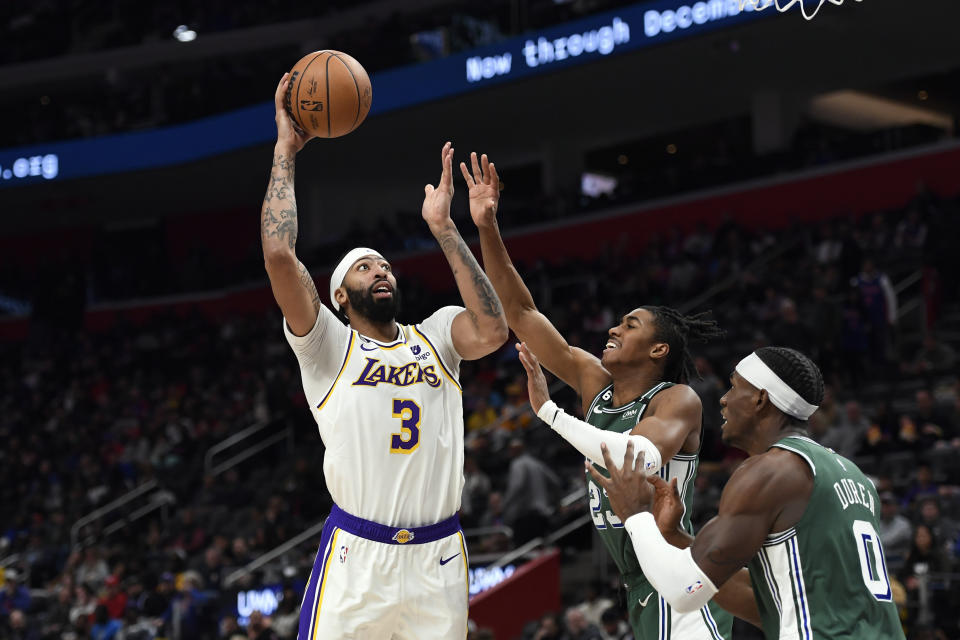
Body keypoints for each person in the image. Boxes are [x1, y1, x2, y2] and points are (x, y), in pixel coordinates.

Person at [261, 74, 508, 639]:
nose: (381, 270)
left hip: (439, 558)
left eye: (386, 265)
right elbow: (279, 253)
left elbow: (493, 330)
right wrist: (284, 150)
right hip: (358, 558)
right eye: (364, 266)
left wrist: (445, 229)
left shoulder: (438, 334)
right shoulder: (327, 345)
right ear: (339, 296)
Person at [478, 148, 731, 636]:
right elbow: (523, 314)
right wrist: (488, 226)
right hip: (638, 579)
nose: (614, 328)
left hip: (676, 572)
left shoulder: (676, 400)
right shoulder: (595, 383)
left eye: (630, 325)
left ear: (658, 349)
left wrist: (549, 412)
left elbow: (635, 455)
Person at [585, 346, 905, 639]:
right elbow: (769, 606)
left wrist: (636, 515)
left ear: (760, 400)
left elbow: (683, 592)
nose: (723, 399)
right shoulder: (851, 475)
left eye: (735, 386)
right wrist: (675, 537)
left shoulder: (770, 470)